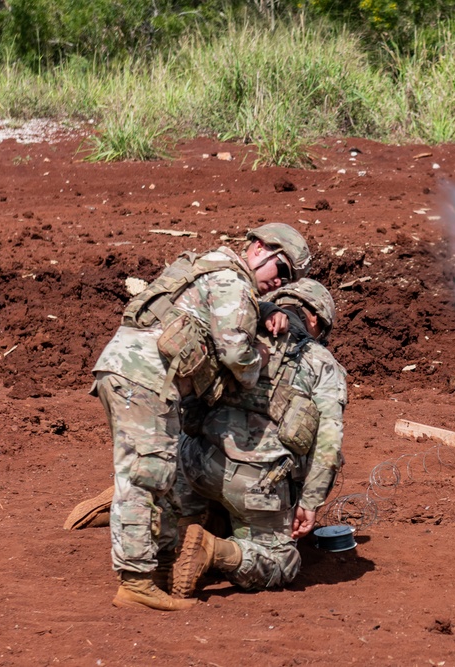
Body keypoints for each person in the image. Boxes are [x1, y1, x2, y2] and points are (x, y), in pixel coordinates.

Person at [91, 223, 311, 611]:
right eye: (282, 271)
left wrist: (268, 308)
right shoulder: (233, 281)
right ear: (260, 248)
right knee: (144, 478)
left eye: (288, 280)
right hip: (145, 379)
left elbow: (203, 308)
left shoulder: (211, 266)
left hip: (133, 372)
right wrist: (260, 359)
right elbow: (235, 355)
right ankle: (135, 582)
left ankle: (154, 572)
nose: (279, 282)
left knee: (155, 476)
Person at [170, 278, 347, 597]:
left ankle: (183, 516)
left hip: (194, 464)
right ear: (315, 320)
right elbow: (329, 446)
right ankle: (213, 550)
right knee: (282, 563)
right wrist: (309, 502)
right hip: (254, 487)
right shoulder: (322, 364)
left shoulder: (238, 335)